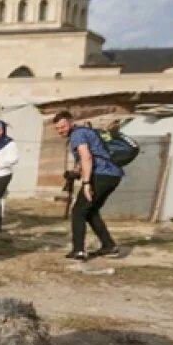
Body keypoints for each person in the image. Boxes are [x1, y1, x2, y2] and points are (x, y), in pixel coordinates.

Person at [54, 110, 123, 260]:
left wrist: (86, 183)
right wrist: (76, 172)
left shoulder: (77, 134)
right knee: (90, 211)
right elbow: (85, 158)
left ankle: (78, 250)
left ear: (71, 123)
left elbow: (86, 157)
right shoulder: (85, 132)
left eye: (63, 126)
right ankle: (109, 246)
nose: (61, 130)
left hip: (102, 174)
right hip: (113, 175)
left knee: (78, 211)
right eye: (58, 128)